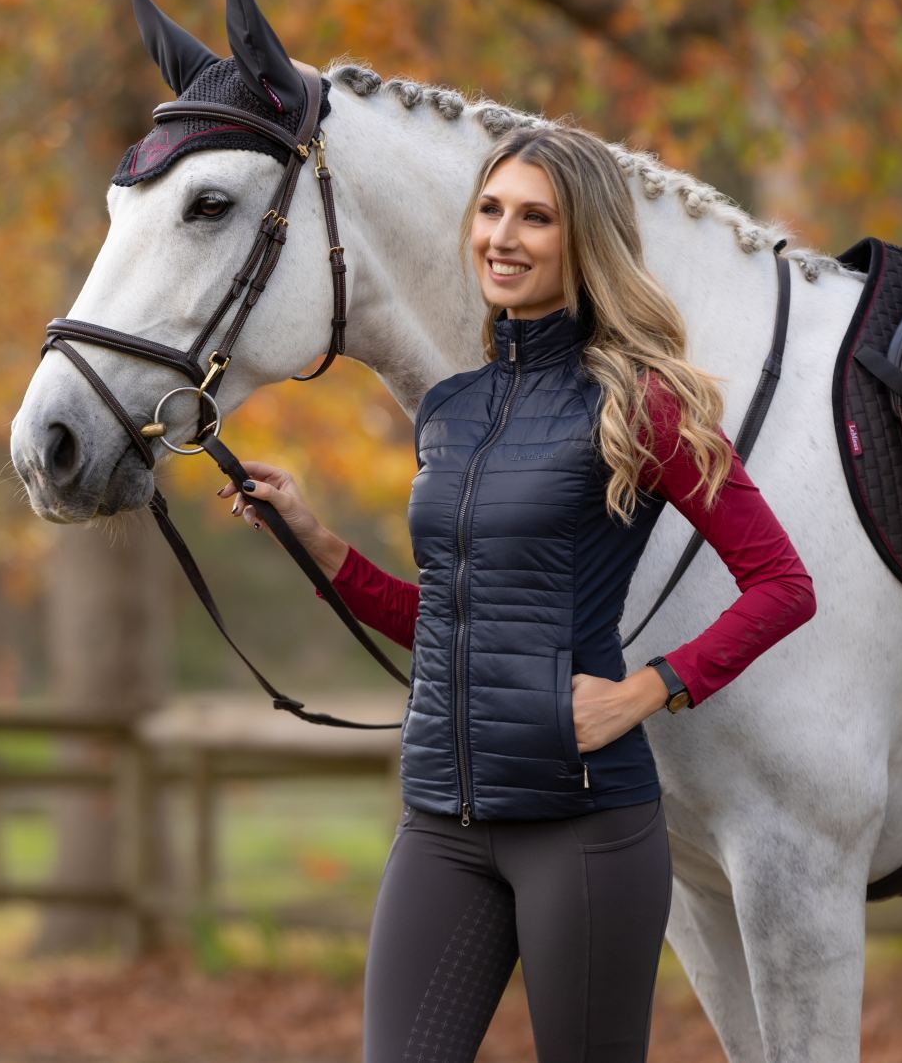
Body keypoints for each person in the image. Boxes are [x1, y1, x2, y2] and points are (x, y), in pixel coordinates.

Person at [216, 125, 817, 1062]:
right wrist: (319, 543)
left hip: (583, 827)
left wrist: (647, 689)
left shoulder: (644, 404)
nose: (502, 236)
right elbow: (447, 622)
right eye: (491, 210)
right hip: (441, 824)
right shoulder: (450, 410)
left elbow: (782, 584)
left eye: (535, 217)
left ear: (585, 240)